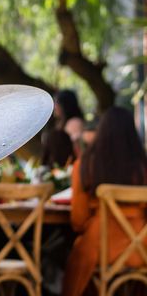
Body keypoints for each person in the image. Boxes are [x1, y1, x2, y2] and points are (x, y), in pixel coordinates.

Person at [62, 106, 147, 296]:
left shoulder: (85, 165)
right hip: (143, 250)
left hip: (99, 248)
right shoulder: (144, 167)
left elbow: (78, 221)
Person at [54, 89, 86, 157]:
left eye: (56, 103)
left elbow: (79, 150)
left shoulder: (74, 123)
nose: (55, 107)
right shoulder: (63, 123)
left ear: (64, 105)